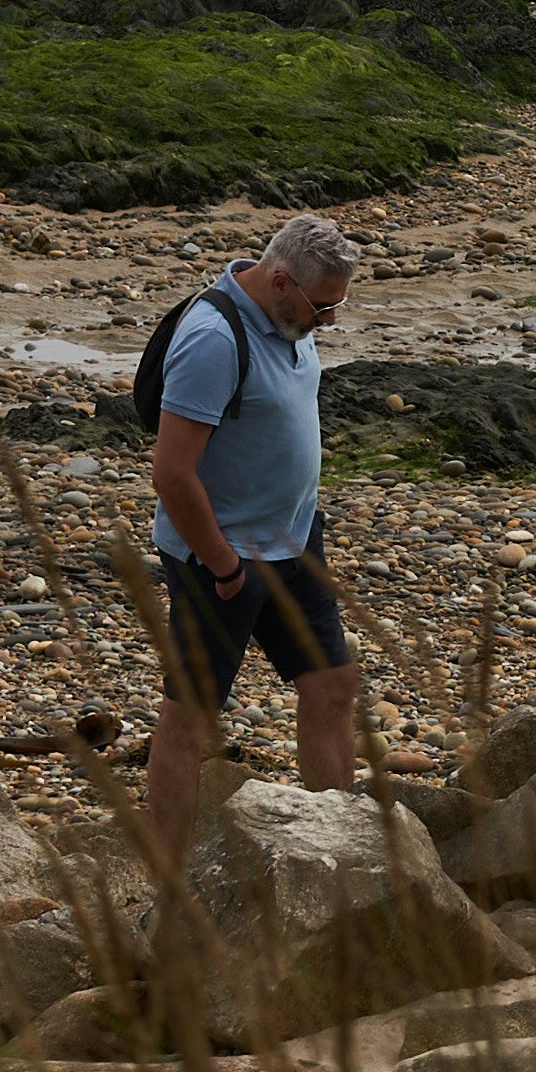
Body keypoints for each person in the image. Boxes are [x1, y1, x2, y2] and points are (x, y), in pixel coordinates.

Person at [142, 213, 363, 864]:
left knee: (331, 688)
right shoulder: (213, 338)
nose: (328, 322)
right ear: (279, 281)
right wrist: (223, 565)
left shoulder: (291, 315)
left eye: (337, 308)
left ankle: (343, 858)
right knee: (190, 716)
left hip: (294, 542)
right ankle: (170, 885)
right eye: (323, 308)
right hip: (223, 556)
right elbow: (171, 472)